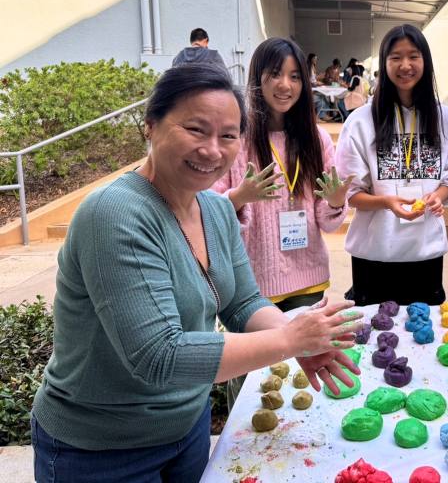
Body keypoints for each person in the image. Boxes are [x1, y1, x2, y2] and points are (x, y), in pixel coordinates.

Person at [31, 64, 363, 482]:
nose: (212, 149)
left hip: (187, 431)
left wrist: (296, 342)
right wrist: (286, 338)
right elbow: (158, 357)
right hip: (101, 450)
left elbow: (242, 302)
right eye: (195, 129)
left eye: (228, 135)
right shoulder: (115, 214)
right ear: (150, 126)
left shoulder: (216, 208)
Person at [214, 38, 352, 311]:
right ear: (258, 77)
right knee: (265, 355)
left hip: (309, 281)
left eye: (294, 76)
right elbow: (208, 208)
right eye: (275, 74)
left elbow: (326, 222)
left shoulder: (317, 139)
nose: (285, 85)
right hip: (252, 286)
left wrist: (335, 202)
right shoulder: (238, 139)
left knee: (306, 355)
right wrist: (239, 197)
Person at [335, 24, 448, 306]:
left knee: (425, 339)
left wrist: (438, 197)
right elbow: (351, 193)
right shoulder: (360, 121)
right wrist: (385, 202)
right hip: (374, 257)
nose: (405, 65)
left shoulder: (445, 118)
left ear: (425, 61)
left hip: (426, 255)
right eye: (395, 57)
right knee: (374, 344)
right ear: (384, 63)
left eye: (413, 56)